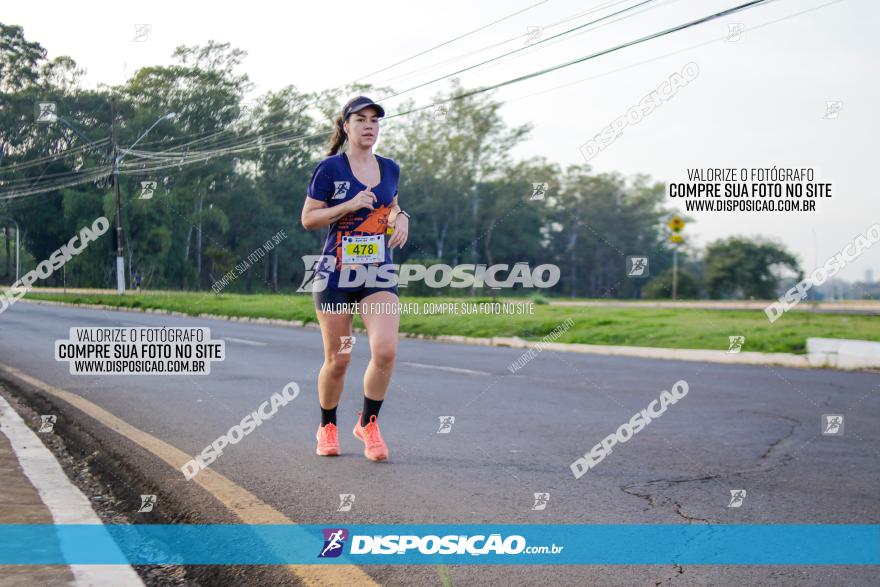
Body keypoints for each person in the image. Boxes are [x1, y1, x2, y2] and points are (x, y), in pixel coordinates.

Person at [300, 96, 410, 462]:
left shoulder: (390, 167)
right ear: (345, 126)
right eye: (360, 119)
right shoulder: (330, 169)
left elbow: (390, 205)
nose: (369, 126)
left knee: (386, 351)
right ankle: (327, 425)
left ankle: (368, 422)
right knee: (340, 358)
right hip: (334, 274)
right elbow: (309, 219)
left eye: (374, 121)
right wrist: (346, 206)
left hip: (377, 271)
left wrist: (402, 216)